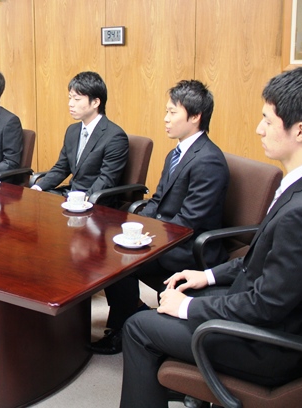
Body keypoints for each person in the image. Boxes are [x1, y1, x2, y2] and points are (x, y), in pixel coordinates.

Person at [119, 67, 302, 408]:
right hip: (259, 309)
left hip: (269, 346)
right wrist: (206, 275)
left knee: (138, 327)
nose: (258, 129)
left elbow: (266, 306)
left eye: (267, 120)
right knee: (172, 296)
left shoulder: (301, 210)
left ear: (299, 130)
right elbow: (258, 260)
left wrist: (189, 307)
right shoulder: (295, 187)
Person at [90, 80, 229, 355]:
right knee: (113, 244)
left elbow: (190, 221)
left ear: (195, 116)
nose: (165, 119)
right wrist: (134, 224)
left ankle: (124, 325)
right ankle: (130, 315)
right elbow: (157, 201)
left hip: (192, 248)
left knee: (120, 259)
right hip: (170, 235)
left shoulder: (208, 160)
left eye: (172, 112)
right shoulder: (176, 153)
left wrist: (147, 237)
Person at [30, 71, 128, 204]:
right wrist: (38, 187)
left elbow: (107, 180)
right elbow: (61, 168)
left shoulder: (115, 136)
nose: (70, 103)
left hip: (96, 201)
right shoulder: (72, 130)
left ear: (95, 102)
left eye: (76, 99)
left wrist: (83, 200)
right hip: (72, 194)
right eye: (70, 98)